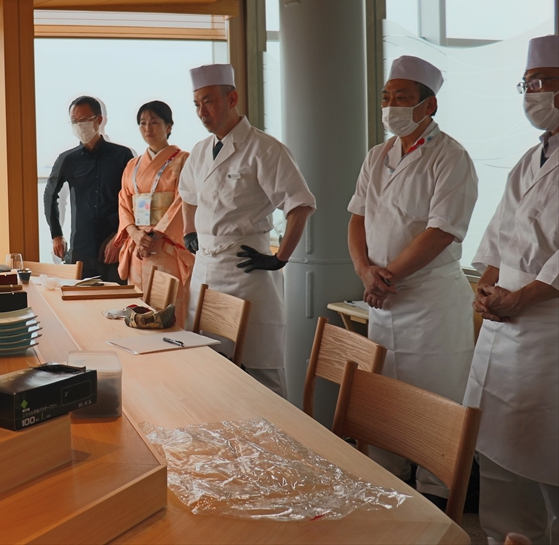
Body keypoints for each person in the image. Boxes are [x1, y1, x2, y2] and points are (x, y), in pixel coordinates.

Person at [346, 55, 479, 495]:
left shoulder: (451, 157)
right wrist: (364, 270)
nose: (391, 106)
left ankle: (438, 502)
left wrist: (385, 277)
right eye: (386, 98)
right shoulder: (377, 155)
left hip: (430, 304)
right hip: (382, 299)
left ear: (429, 105)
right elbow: (357, 218)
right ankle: (388, 490)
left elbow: (441, 232)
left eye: (402, 98)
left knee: (434, 409)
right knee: (385, 405)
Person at [465, 34, 559, 544]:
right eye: (527, 84)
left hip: (547, 327)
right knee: (496, 451)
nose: (532, 94)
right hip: (504, 323)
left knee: (547, 454)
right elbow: (502, 233)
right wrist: (486, 286)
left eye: (541, 82)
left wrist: (521, 297)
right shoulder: (529, 159)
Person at [178, 64, 315, 398]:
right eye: (196, 104)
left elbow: (300, 204)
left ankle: (280, 431)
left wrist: (280, 258)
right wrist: (189, 230)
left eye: (208, 102)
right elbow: (188, 195)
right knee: (209, 368)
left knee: (260, 370)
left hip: (246, 270)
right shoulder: (200, 150)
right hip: (206, 270)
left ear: (232, 99)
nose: (202, 112)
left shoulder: (264, 148)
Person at [114, 101, 194, 325]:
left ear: (169, 126)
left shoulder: (183, 160)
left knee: (168, 311)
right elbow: (124, 202)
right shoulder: (132, 165)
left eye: (154, 122)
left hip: (166, 245)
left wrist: (156, 236)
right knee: (138, 310)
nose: (147, 128)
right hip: (138, 247)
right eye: (142, 123)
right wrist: (135, 234)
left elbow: (183, 201)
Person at [44, 95, 134, 281]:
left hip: (114, 248)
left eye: (84, 119)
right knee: (77, 297)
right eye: (74, 121)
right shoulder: (67, 160)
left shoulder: (123, 156)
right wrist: (56, 234)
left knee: (117, 298)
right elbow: (50, 196)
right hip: (81, 249)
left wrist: (120, 239)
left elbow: (133, 200)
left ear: (99, 120)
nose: (79, 125)